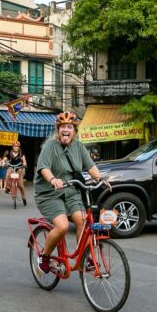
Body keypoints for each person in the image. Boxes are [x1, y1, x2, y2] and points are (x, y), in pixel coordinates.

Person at [33, 112, 103, 273]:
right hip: (49, 193)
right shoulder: (50, 146)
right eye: (63, 127)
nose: (66, 130)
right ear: (58, 130)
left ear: (74, 131)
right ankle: (44, 256)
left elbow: (91, 167)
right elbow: (43, 167)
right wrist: (52, 179)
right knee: (63, 226)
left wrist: (101, 179)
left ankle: (82, 261)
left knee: (83, 221)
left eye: (69, 127)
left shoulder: (78, 147)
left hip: (71, 191)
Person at [3, 140, 28, 205]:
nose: (16, 147)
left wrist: (25, 164)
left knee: (20, 185)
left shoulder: (21, 153)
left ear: (19, 147)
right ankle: (7, 188)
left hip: (19, 167)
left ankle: (24, 197)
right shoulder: (9, 153)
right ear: (12, 147)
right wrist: (2, 162)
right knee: (8, 172)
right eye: (14, 146)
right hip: (11, 166)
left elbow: (24, 160)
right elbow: (4, 159)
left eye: (17, 146)